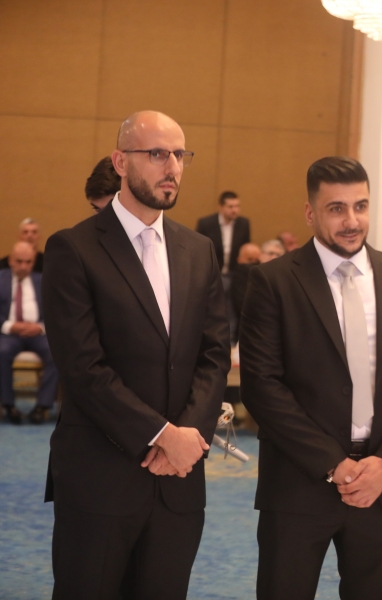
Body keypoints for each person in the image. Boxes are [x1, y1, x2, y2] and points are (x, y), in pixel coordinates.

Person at [41, 110, 232, 599]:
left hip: (179, 483)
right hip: (100, 477)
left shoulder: (199, 250)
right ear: (121, 162)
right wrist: (161, 435)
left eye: (180, 155)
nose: (173, 167)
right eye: (158, 154)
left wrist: (186, 438)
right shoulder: (73, 248)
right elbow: (83, 367)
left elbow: (213, 355)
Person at [239, 156, 382, 600]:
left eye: (361, 206)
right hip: (298, 483)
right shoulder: (274, 282)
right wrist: (332, 464)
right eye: (336, 208)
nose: (352, 221)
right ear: (310, 213)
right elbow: (262, 385)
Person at [0, 242, 58, 424]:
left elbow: (56, 311)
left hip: (38, 333)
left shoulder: (44, 281)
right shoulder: (0, 280)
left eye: (28, 262)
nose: (23, 266)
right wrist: (9, 326)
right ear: (11, 260)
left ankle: (42, 407)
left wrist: (40, 327)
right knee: (1, 352)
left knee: (57, 352)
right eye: (19, 261)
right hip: (8, 334)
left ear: (33, 262)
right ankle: (9, 406)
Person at [196, 191, 251, 342]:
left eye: (237, 206)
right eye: (230, 206)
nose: (235, 210)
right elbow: (199, 250)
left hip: (234, 274)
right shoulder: (206, 223)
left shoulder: (243, 223)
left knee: (233, 309)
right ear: (221, 207)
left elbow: (244, 249)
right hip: (213, 273)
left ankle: (231, 340)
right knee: (213, 308)